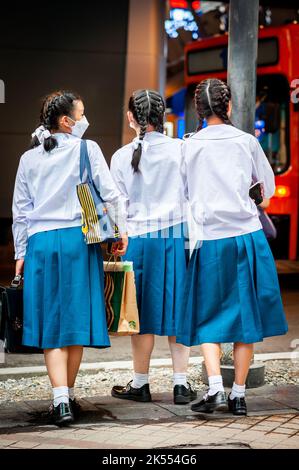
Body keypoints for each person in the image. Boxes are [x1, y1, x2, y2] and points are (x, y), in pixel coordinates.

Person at [12, 91, 128, 426]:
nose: (84, 119)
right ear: (67, 121)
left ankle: (61, 400)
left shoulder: (29, 158)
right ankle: (69, 396)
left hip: (41, 245)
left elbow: (20, 212)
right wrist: (122, 230)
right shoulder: (87, 149)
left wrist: (21, 252)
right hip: (79, 240)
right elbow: (110, 194)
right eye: (81, 113)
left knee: (51, 323)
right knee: (75, 322)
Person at [176, 78, 288, 416]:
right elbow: (265, 187)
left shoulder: (189, 145)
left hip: (210, 241)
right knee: (245, 318)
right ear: (228, 107)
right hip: (247, 237)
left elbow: (184, 193)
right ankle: (238, 395)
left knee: (206, 316)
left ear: (199, 110)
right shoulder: (246, 142)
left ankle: (214, 391)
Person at [109, 89, 196, 405]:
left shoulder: (121, 157)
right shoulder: (182, 150)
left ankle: (141, 384)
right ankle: (181, 385)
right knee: (179, 313)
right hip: (176, 239)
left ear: (131, 117)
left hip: (138, 242)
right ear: (163, 117)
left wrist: (120, 235)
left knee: (140, 316)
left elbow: (117, 206)